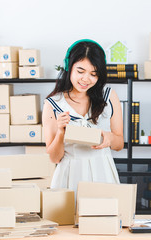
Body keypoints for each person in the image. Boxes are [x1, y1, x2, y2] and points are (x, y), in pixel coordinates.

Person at [42, 39, 124, 193]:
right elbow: (54, 158)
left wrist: (108, 138)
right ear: (69, 67)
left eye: (93, 74)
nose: (86, 79)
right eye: (80, 71)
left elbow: (119, 143)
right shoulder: (53, 104)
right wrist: (60, 132)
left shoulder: (109, 97)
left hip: (103, 174)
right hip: (70, 176)